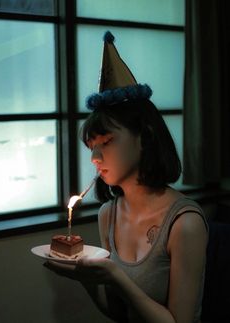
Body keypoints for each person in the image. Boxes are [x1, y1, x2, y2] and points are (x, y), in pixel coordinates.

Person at [45, 31, 208, 323]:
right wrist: (89, 279)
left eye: (106, 142)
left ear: (144, 137)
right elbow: (118, 313)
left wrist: (117, 277)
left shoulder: (184, 223)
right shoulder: (109, 213)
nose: (95, 158)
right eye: (91, 147)